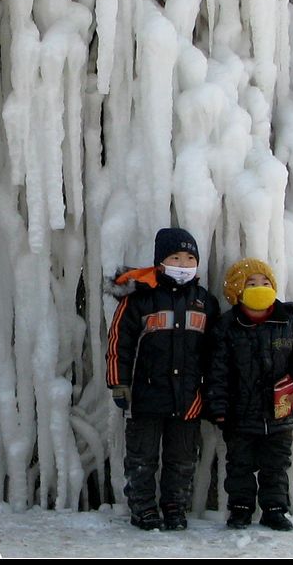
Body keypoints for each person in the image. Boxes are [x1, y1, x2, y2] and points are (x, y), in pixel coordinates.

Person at [106, 227, 220, 531]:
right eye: (175, 257)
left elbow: (215, 353)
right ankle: (142, 508)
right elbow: (119, 342)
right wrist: (119, 383)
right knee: (142, 457)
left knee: (182, 459)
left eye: (189, 258)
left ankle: (175, 507)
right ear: (160, 261)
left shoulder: (205, 303)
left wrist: (209, 393)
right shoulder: (139, 300)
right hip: (145, 396)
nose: (182, 264)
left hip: (188, 398)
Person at [206, 258, 293, 531]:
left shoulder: (290, 322)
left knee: (276, 465)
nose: (260, 287)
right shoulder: (227, 326)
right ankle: (240, 509)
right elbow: (216, 370)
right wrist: (218, 408)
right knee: (239, 464)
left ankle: (275, 509)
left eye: (265, 282)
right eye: (251, 283)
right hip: (239, 414)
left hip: (280, 412)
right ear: (237, 291)